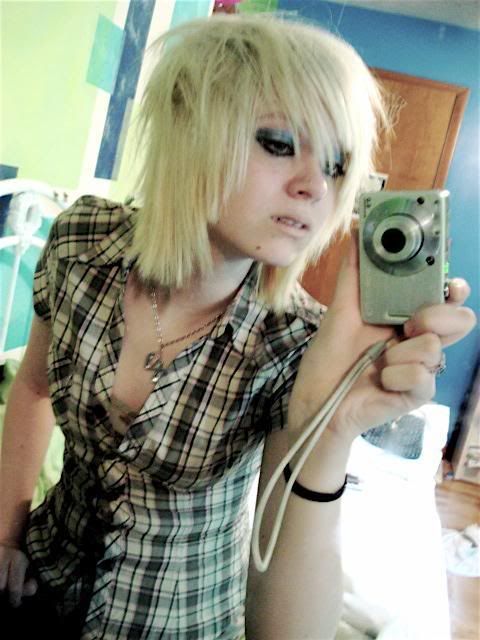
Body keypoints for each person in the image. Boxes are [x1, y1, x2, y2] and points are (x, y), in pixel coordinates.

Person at [0, 13, 475, 640]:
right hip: (38, 586)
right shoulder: (80, 242)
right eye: (279, 143)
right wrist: (6, 534)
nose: (315, 187)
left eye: (337, 165)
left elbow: (287, 614)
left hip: (179, 624)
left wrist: (331, 428)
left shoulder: (296, 343)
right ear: (189, 130)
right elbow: (33, 387)